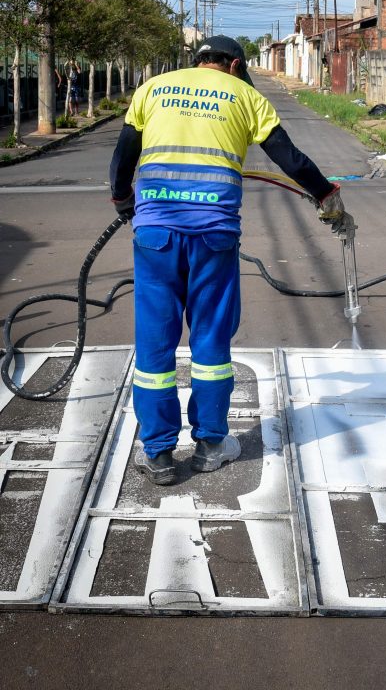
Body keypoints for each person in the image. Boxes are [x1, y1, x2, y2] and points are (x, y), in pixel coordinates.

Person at [109, 35, 346, 486]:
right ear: (235, 65)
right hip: (214, 236)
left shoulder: (154, 88)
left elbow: (124, 154)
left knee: (155, 343)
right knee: (211, 343)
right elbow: (289, 158)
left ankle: (158, 453)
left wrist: (123, 199)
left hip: (155, 232)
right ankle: (211, 446)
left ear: (198, 61)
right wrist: (326, 195)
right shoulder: (245, 96)